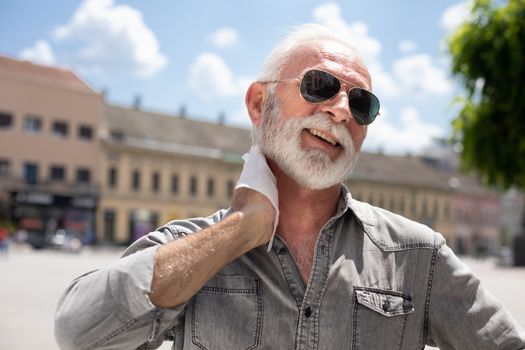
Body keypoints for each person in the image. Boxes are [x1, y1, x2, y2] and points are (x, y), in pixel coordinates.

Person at [55, 24, 525, 349]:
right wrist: (240, 229)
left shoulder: (418, 256)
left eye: (361, 103)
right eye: (319, 85)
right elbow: (79, 332)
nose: (341, 109)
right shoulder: (188, 247)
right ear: (260, 103)